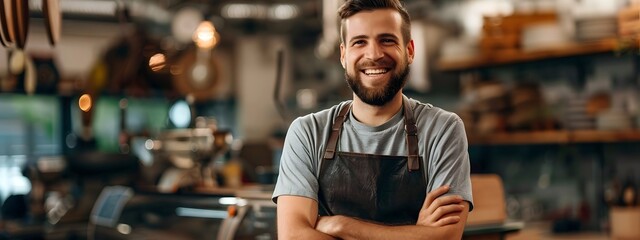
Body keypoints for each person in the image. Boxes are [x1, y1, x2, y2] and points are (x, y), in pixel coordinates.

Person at [271, 0, 473, 239]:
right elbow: (294, 236)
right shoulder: (308, 132)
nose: (374, 54)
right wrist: (417, 234)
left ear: (409, 51)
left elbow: (446, 237)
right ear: (344, 55)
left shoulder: (443, 129)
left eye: (387, 40)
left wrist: (342, 227)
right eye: (360, 42)